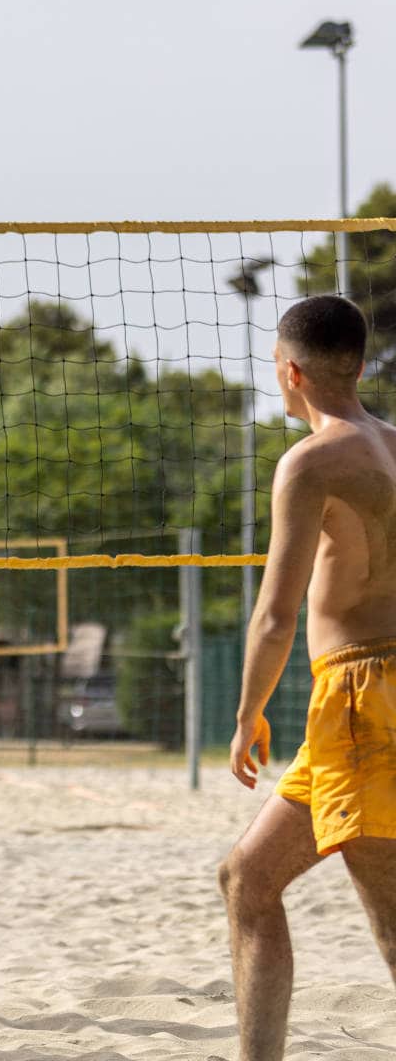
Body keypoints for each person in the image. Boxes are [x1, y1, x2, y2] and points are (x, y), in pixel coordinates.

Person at [218, 293, 396, 1060]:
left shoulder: (311, 461)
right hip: (357, 707)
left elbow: (273, 617)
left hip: (361, 697)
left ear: (289, 373)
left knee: (389, 914)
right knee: (247, 879)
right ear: (358, 365)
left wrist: (247, 712)